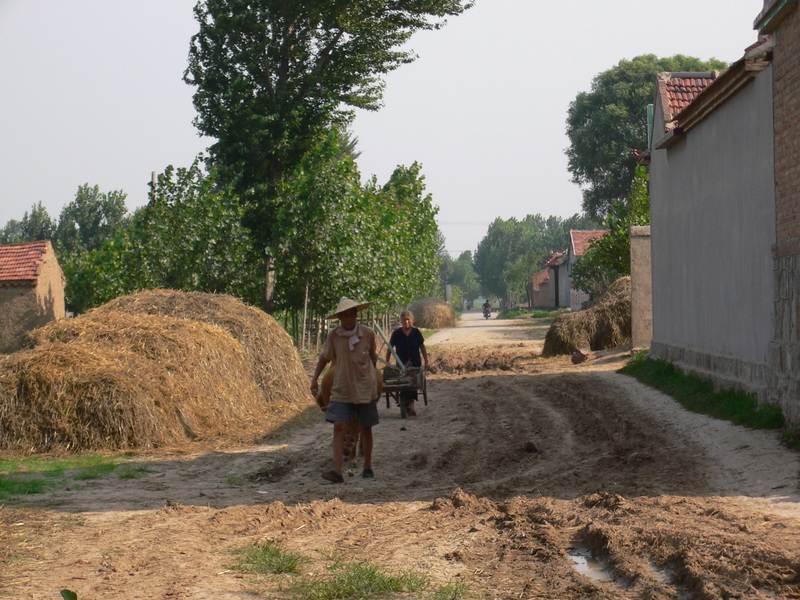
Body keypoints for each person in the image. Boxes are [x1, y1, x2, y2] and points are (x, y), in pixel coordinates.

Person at [310, 297, 380, 483]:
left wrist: (370, 376)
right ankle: (337, 471)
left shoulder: (368, 334)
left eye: (352, 313)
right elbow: (325, 358)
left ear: (356, 314)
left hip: (364, 388)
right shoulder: (334, 336)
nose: (349, 317)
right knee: (339, 426)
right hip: (342, 387)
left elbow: (373, 357)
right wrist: (315, 379)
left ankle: (367, 467)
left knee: (365, 427)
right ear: (340, 317)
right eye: (345, 314)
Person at [386, 310, 429, 416]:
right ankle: (407, 404)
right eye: (404, 319)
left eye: (408, 319)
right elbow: (390, 349)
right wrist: (387, 363)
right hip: (401, 364)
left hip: (415, 362)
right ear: (401, 320)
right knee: (402, 383)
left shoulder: (416, 332)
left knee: (413, 384)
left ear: (412, 320)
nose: (406, 322)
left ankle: (410, 404)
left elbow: (422, 347)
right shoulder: (396, 333)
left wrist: (426, 360)